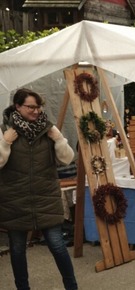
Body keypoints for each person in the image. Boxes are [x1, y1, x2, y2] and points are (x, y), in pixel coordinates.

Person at [0, 88, 78, 290]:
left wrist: (59, 138)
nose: (36, 111)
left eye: (38, 107)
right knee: (17, 250)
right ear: (17, 106)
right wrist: (5, 142)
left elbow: (67, 158)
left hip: (46, 198)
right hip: (15, 200)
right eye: (30, 107)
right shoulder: (4, 130)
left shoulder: (48, 130)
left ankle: (72, 287)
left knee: (57, 246)